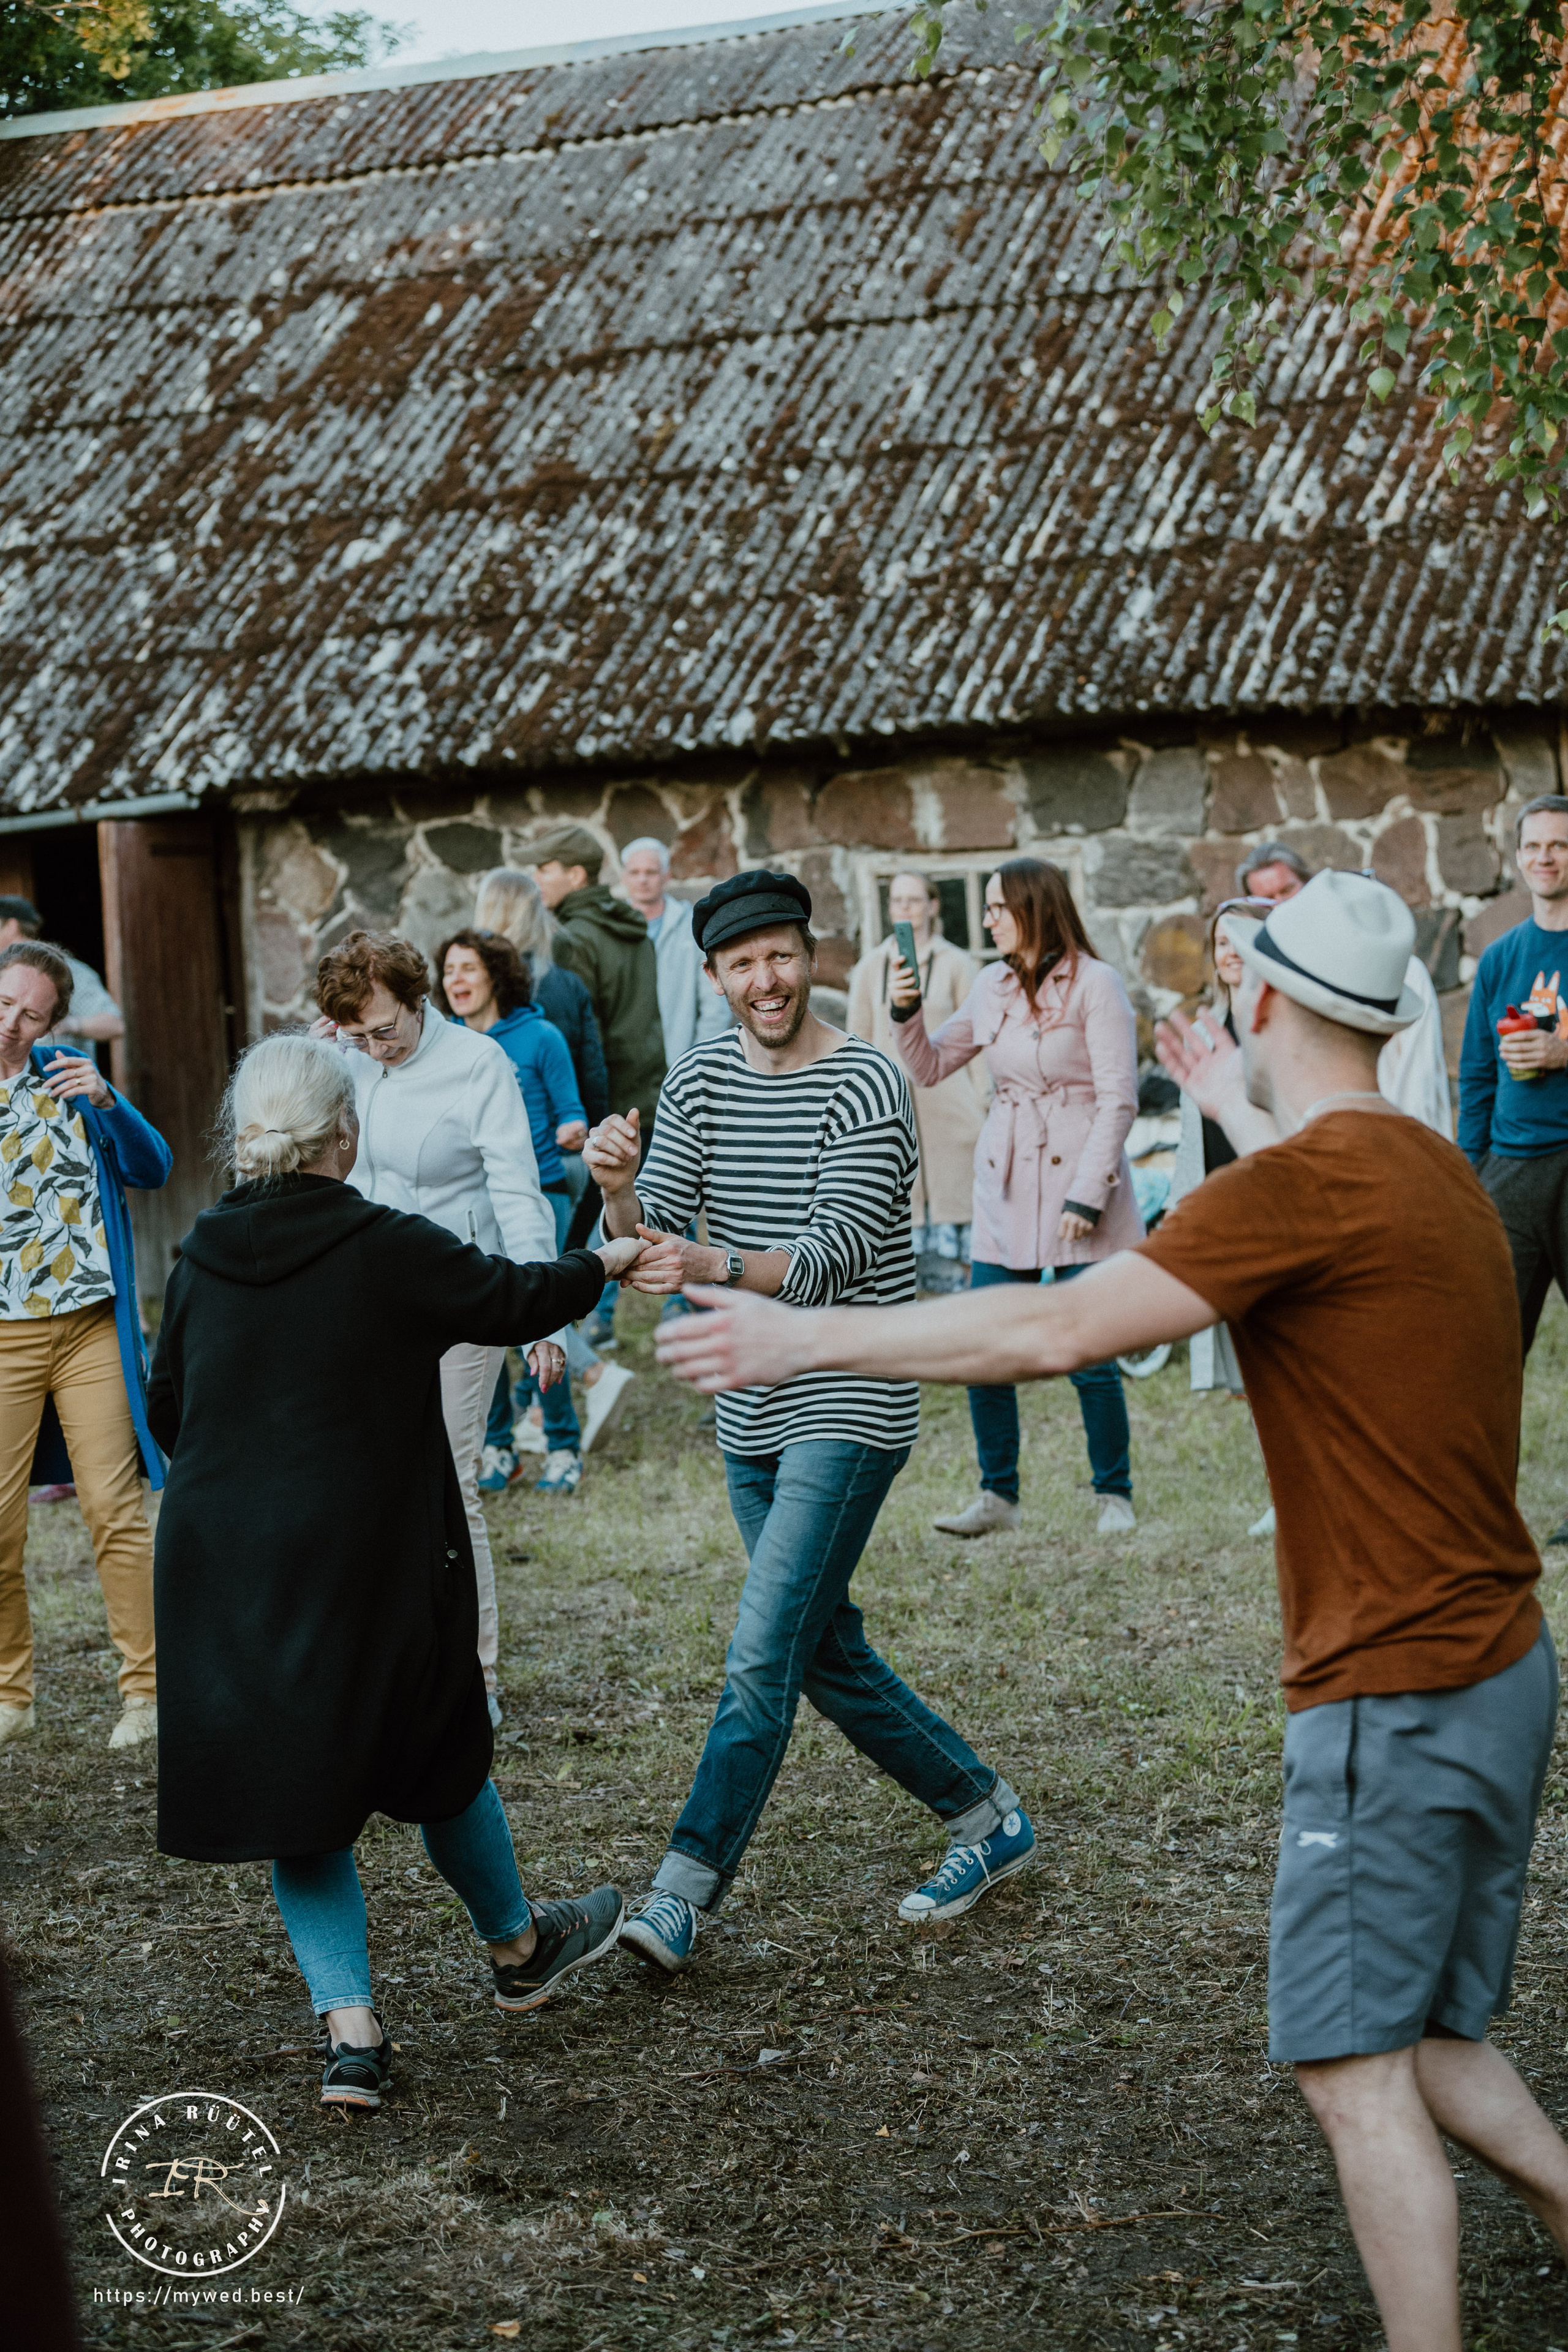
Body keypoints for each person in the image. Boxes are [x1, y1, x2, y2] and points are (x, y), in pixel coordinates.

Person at [658, 869, 1568, 2352]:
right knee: (1438, 2037)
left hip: (1386, 1690)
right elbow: (1325, 1177)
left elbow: (1056, 1322)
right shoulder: (1429, 1166)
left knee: (1348, 2068)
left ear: (1257, 999)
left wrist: (800, 1332)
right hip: (1501, 1669)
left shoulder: (1289, 1189)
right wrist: (1229, 1092)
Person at [147, 1034, 643, 2109]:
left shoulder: (199, 1252)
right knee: (435, 1743)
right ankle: (518, 1952)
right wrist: (605, 1255)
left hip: (224, 1558)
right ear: (347, 1134)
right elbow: (518, 1300)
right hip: (363, 1550)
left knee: (297, 1782)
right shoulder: (379, 1242)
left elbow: (169, 1411)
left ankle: (354, 2036)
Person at [585, 867, 1033, 1976]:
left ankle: (681, 1891)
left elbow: (828, 1262)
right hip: (752, 1413)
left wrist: (708, 1262)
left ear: (810, 954)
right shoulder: (694, 1083)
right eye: (742, 965)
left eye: (779, 955)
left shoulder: (868, 1082)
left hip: (853, 1396)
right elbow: (657, 1239)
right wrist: (620, 1192)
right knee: (820, 1653)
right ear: (717, 978)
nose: (765, 979)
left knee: (758, 1655)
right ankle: (987, 1816)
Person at [312, 931, 562, 1726]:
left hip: (458, 1293)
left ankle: (475, 1677)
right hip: (363, 1299)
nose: (376, 1047)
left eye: (385, 1029)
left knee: (451, 1482)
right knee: (364, 1482)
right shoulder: (345, 1057)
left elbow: (518, 1190)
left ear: (419, 1002)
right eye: (359, 1036)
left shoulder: (479, 1066)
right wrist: (322, 1054)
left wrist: (541, 1311)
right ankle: (388, 1661)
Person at [890, 857, 1140, 1538]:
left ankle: (1113, 1495)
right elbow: (931, 1065)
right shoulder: (991, 985)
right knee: (985, 1343)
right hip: (1005, 1184)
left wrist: (1087, 1195)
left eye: (999, 907)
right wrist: (906, 1012)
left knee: (1086, 1349)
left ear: (1033, 909)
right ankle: (997, 1496)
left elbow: (1120, 1099)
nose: (989, 919)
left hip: (1079, 1184)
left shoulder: (1097, 985)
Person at [0, 941, 170, 1752]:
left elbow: (155, 1167)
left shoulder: (71, 1077)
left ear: (51, 1020)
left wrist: (109, 1102)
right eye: (4, 1003)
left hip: (90, 1328)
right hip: (4, 1338)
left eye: (30, 1013)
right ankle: (12, 1694)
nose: (12, 1022)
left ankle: (147, 1692)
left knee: (114, 1510)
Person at [473, 869, 630, 1455]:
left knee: (522, 1287)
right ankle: (538, 1411)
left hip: (523, 1163)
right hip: (573, 1152)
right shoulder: (564, 983)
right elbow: (593, 1070)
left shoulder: (495, 998)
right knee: (540, 1278)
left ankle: (590, 1375)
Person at [436, 928, 595, 1498]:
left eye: (467, 969)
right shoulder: (443, 1046)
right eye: (448, 970)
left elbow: (572, 1111)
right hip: (472, 1205)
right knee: (481, 1327)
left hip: (540, 1193)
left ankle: (562, 1446)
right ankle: (498, 1447)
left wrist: (572, 1132)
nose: (455, 980)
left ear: (496, 976)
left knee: (537, 1323)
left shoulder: (541, 1037)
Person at [1458, 792, 1568, 1542]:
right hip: (1509, 1171)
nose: (1545, 858)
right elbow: (1474, 1079)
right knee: (1489, 1350)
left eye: (1559, 845)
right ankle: (1481, 1516)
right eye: (1533, 846)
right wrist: (1470, 1178)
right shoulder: (1500, 958)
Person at [528, 826, 665, 1337]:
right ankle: (590, 1334)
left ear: (576, 874)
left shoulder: (571, 939)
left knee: (574, 1246)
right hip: (644, 1100)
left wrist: (574, 1116)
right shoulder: (632, 927)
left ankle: (567, 1350)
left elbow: (579, 1040)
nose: (536, 880)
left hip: (600, 1113)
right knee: (616, 1231)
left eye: (544, 869)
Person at [1238, 843, 1452, 1136]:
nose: (1279, 905)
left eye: (1287, 891)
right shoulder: (1259, 975)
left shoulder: (1403, 974)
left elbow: (1419, 1077)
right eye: (1265, 900)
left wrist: (1408, 1149)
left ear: (1309, 886)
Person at [846, 873, 986, 1291]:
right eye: (897, 901)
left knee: (960, 1199)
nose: (905, 908)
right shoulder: (871, 968)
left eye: (914, 899)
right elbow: (859, 1039)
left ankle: (967, 1302)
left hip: (952, 1106)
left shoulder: (958, 964)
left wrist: (984, 1099)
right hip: (895, 1110)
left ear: (933, 905)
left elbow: (978, 1037)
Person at [620, 837, 732, 1061]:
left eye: (651, 872)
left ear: (666, 876)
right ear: (624, 877)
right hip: (625, 1067)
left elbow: (715, 1006)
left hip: (678, 1060)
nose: (642, 880)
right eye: (635, 872)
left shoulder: (691, 927)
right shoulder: (611, 927)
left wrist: (696, 1059)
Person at [0, 897, 125, 1068]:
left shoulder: (67, 972)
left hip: (58, 1086)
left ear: (11, 926)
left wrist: (68, 1025)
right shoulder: (4, 969)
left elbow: (115, 1025)